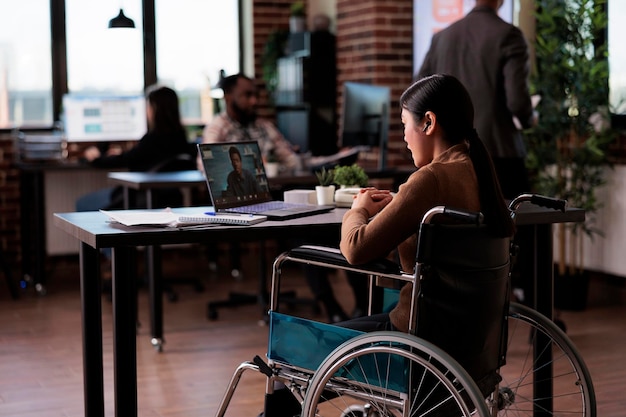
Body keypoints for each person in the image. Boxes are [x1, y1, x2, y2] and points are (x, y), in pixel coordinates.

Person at [259, 74, 516, 417]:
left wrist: (359, 210)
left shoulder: (429, 179)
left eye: (404, 125)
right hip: (469, 340)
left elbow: (355, 249)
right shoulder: (476, 169)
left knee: (289, 364)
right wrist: (401, 203)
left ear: (428, 122)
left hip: (416, 336)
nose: (404, 137)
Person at [201, 72, 366, 323]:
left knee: (332, 227)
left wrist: (333, 158)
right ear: (228, 96)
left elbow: (293, 160)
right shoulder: (218, 127)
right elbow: (206, 165)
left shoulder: (264, 127)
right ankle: (331, 306)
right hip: (241, 204)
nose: (254, 101)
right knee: (300, 235)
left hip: (276, 199)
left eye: (255, 94)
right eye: (247, 95)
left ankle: (364, 308)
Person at [415, 0, 536, 302]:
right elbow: (518, 102)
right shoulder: (508, 35)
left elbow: (419, 93)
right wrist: (530, 118)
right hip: (498, 152)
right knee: (531, 229)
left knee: (456, 233)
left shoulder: (441, 37)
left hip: (449, 156)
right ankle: (535, 311)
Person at [76, 85, 193, 212]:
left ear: (154, 109)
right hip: (169, 200)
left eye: (148, 106)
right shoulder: (181, 139)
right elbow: (142, 156)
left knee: (82, 204)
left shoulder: (152, 139)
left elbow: (126, 160)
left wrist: (95, 159)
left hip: (137, 198)